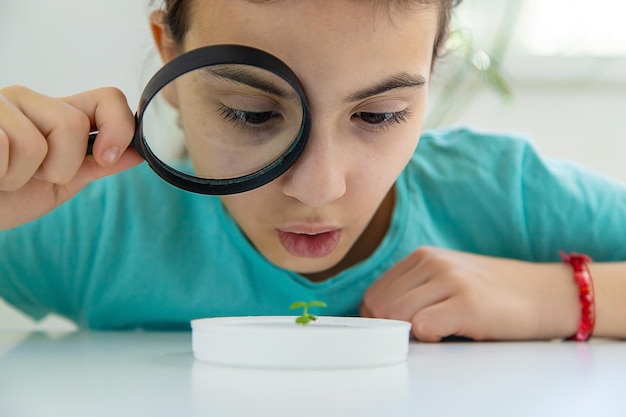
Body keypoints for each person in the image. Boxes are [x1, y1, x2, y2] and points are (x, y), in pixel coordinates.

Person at [1, 0, 625, 341]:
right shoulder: (92, 219)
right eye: (249, 114)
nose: (319, 186)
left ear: (435, 68)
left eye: (379, 115)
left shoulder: (504, 193)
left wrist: (557, 297)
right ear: (171, 55)